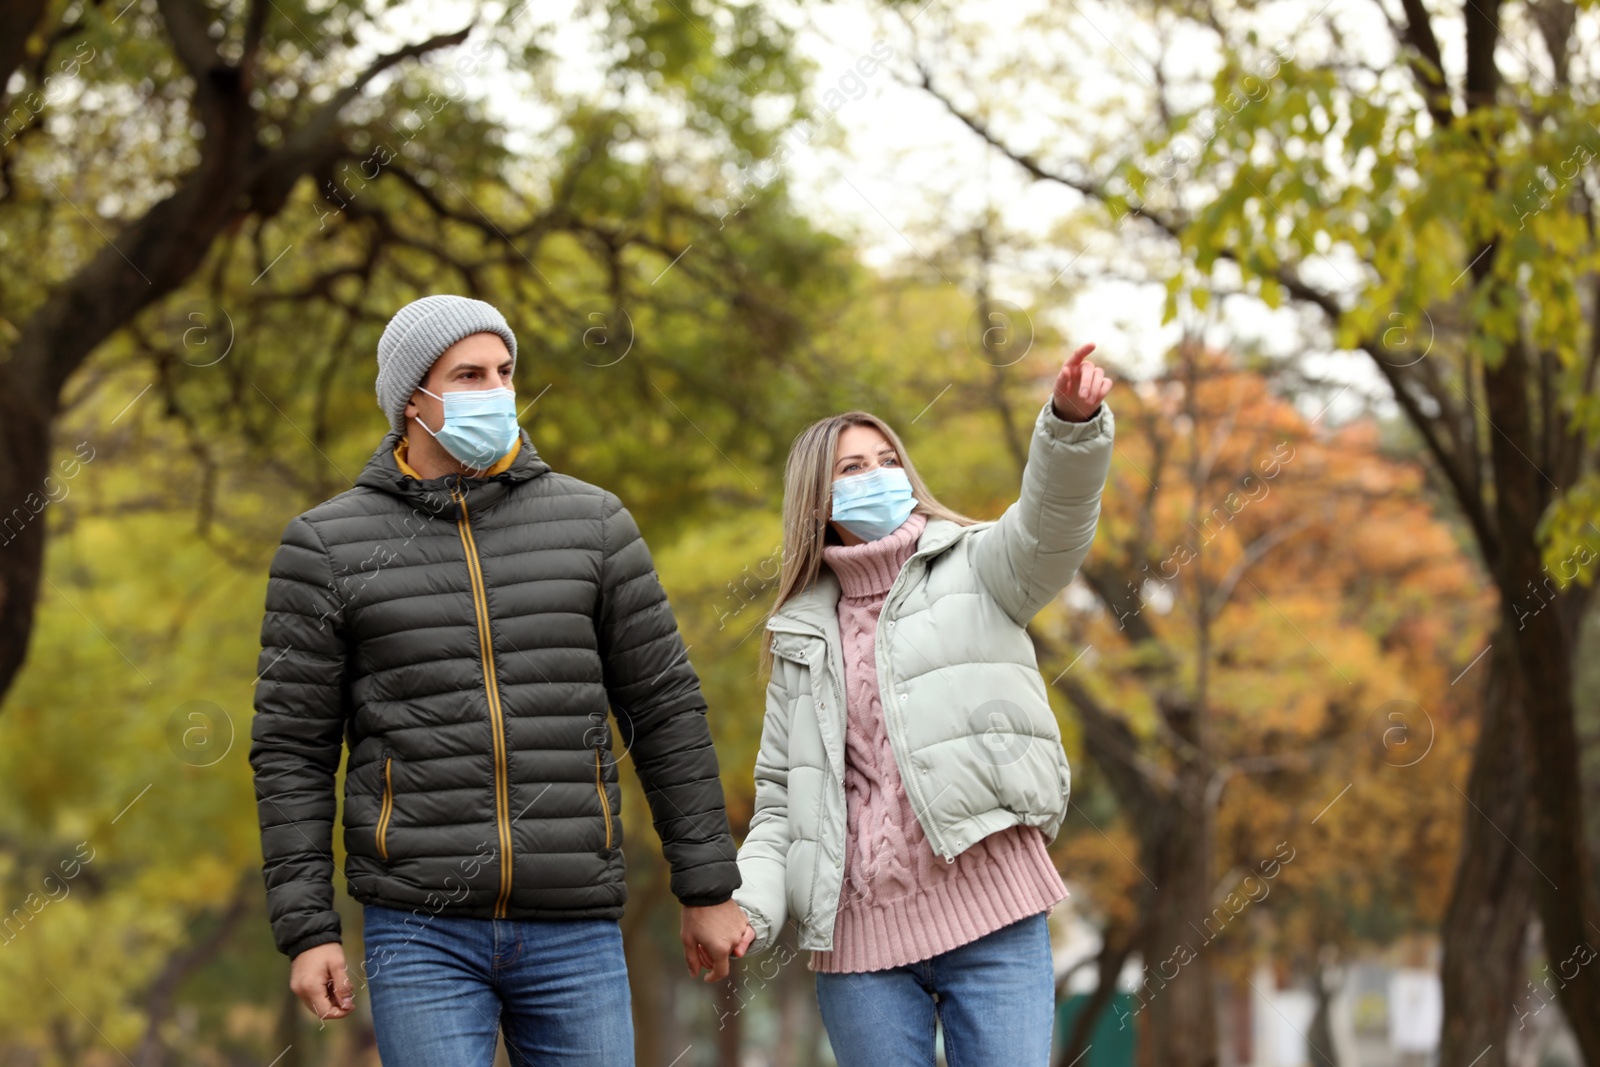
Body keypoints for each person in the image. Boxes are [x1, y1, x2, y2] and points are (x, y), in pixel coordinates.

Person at [248, 294, 750, 1067]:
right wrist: (308, 929)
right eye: (470, 374)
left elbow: (665, 708)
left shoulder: (595, 524)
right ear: (412, 397)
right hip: (418, 926)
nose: (496, 391)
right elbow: (291, 750)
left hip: (574, 917)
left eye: (505, 372)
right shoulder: (326, 546)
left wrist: (707, 885)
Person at [730, 344, 1115, 1066]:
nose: (878, 475)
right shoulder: (799, 635)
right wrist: (748, 907)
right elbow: (783, 803)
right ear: (818, 500)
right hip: (859, 943)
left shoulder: (980, 564)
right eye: (853, 468)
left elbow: (1052, 525)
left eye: (886, 460)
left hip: (993, 911)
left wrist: (1069, 424)